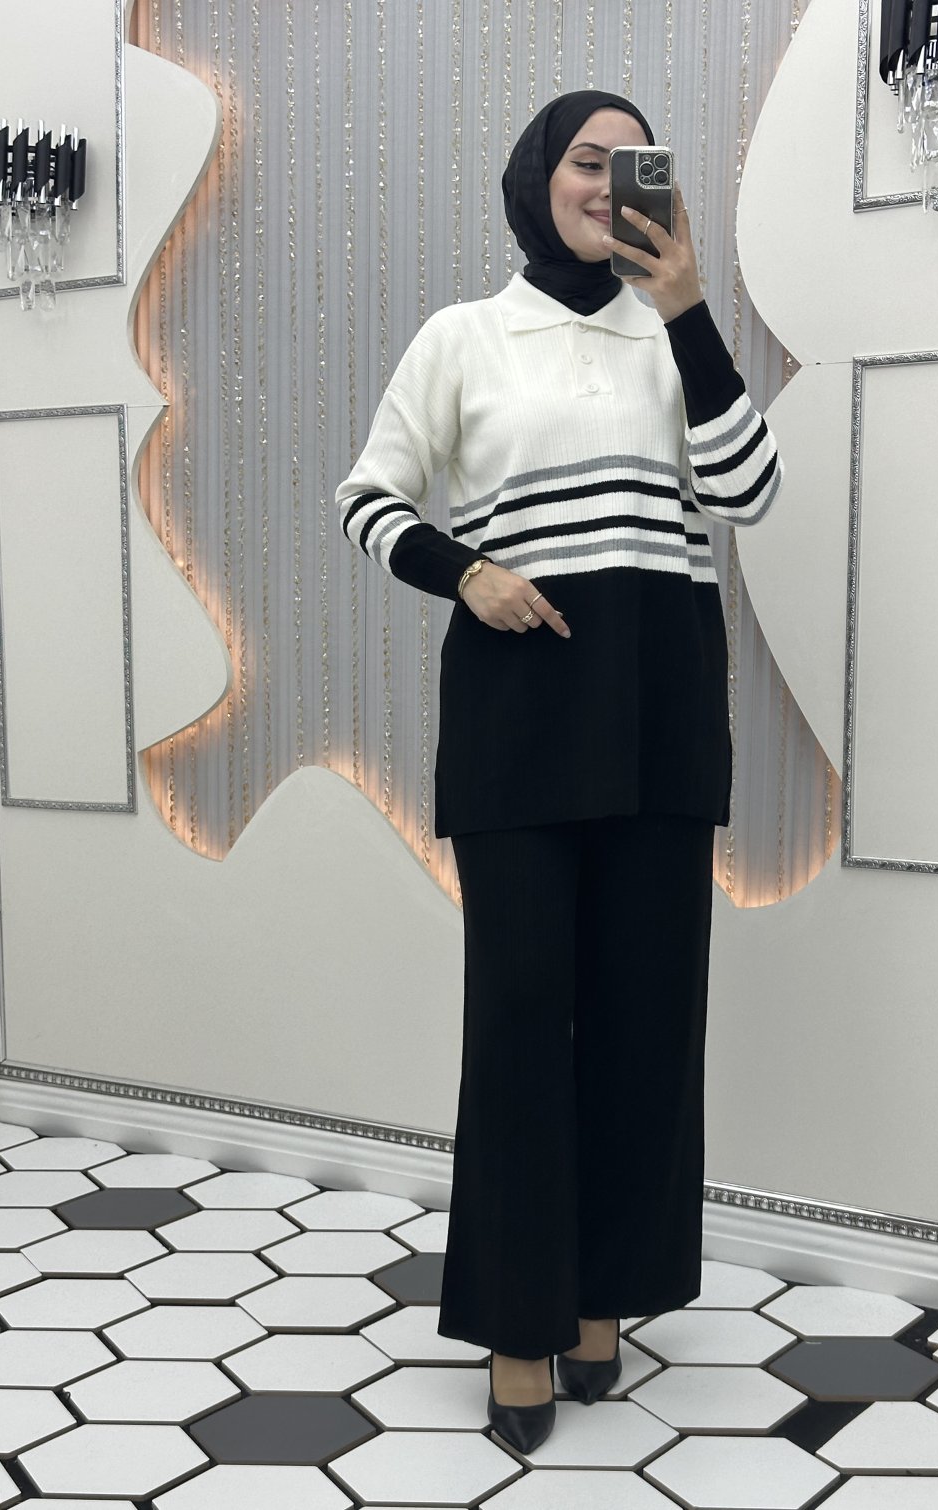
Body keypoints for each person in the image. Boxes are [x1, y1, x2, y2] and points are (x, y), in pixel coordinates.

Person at [336, 89, 783, 1452]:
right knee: (524, 1026)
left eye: (630, 163)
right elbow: (369, 497)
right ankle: (518, 1322)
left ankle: (604, 1296)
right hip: (520, 726)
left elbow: (751, 491)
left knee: (647, 1027)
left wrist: (688, 306)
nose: (606, 183)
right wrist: (466, 571)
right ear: (539, 178)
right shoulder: (464, 337)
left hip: (660, 726)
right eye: (587, 161)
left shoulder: (676, 337)